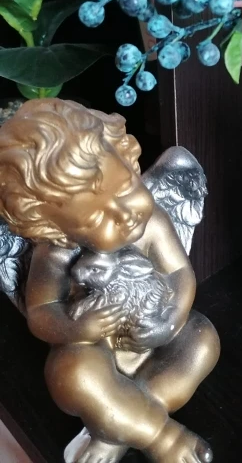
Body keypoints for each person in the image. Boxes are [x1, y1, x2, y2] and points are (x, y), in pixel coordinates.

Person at [0, 99, 220, 463]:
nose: (125, 214)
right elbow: (41, 312)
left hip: (156, 340)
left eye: (125, 189)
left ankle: (118, 425)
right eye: (94, 219)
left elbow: (180, 273)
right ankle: (162, 437)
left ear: (128, 161)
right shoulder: (54, 253)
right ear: (55, 228)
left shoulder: (152, 222)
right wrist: (78, 328)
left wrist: (170, 320)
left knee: (202, 340)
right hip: (96, 353)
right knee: (72, 374)